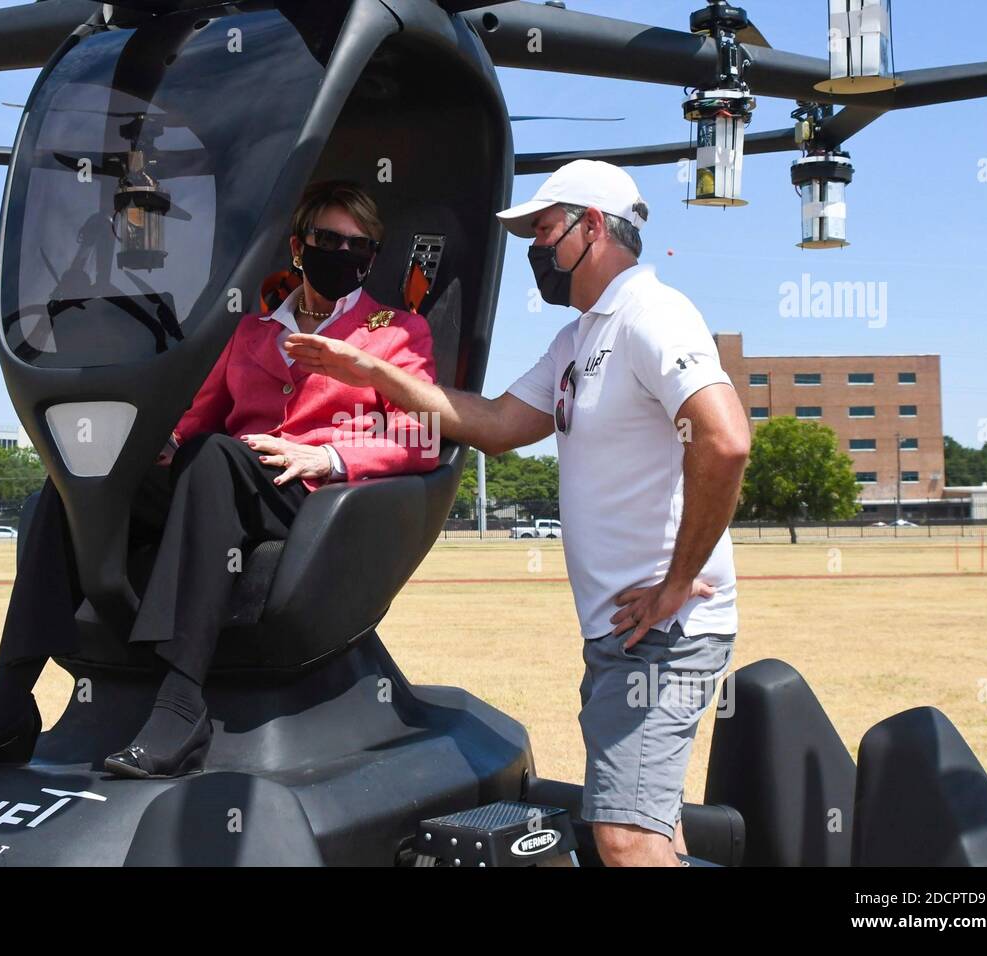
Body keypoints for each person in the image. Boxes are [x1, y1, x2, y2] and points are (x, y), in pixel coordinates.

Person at [285, 160, 751, 866]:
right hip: (621, 633)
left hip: (666, 629)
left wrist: (678, 580)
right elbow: (499, 423)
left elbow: (724, 440)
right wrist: (376, 372)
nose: (536, 250)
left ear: (591, 226)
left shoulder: (650, 316)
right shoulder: (577, 341)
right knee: (651, 829)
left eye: (544, 231)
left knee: (625, 843)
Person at [0, 180, 440, 778]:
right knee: (78, 483)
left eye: (360, 246)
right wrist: (149, 449)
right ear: (298, 246)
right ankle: (9, 698)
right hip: (229, 475)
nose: (343, 254)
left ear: (372, 258)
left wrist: (330, 459)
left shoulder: (395, 333)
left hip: (313, 488)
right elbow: (198, 416)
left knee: (215, 457)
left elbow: (418, 437)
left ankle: (181, 701)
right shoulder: (251, 332)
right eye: (328, 239)